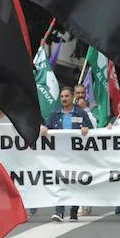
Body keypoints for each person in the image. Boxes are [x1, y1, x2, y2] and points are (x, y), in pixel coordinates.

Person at [42, 87, 93, 222]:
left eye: (66, 96)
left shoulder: (80, 113)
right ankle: (59, 211)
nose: (64, 99)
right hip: (60, 155)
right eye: (62, 97)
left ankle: (74, 211)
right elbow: (48, 127)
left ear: (72, 97)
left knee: (76, 182)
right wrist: (44, 129)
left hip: (77, 155)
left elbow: (92, 132)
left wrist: (86, 129)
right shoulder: (55, 114)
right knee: (60, 181)